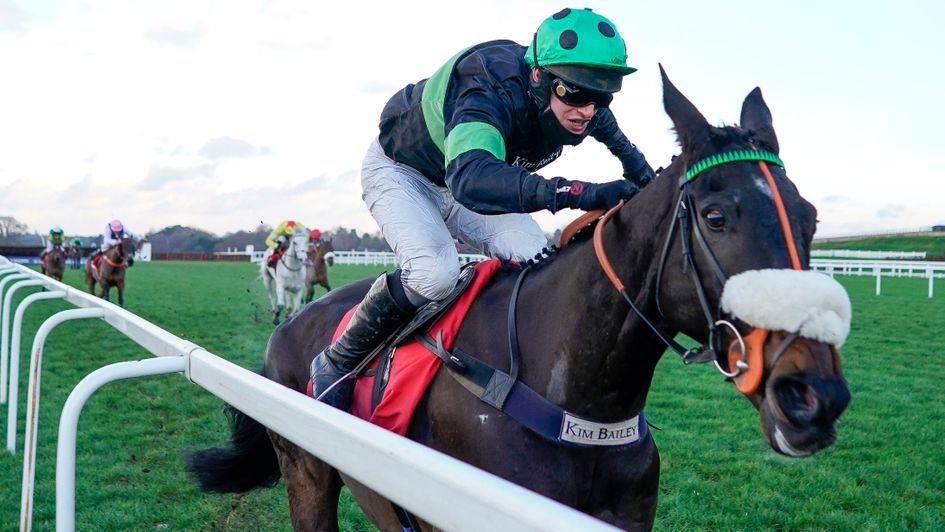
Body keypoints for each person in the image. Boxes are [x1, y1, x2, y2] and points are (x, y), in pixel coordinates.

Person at [310, 7, 657, 411]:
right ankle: (337, 359)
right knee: (434, 273)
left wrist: (651, 186)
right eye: (574, 93)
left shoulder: (580, 97)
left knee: (539, 261)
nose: (587, 110)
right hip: (405, 173)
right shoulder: (487, 84)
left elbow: (625, 151)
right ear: (538, 76)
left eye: (602, 95)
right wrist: (577, 192)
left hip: (464, 178)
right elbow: (471, 178)